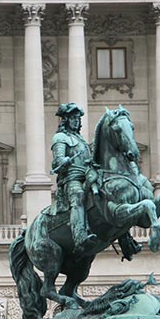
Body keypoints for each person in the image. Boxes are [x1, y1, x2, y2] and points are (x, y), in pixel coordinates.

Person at [51, 103, 98, 253]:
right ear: (65, 120)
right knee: (78, 196)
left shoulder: (82, 140)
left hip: (88, 176)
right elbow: (57, 161)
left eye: (78, 118)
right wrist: (63, 161)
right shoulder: (60, 137)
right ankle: (80, 236)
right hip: (72, 179)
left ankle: (126, 239)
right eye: (72, 118)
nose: (76, 121)